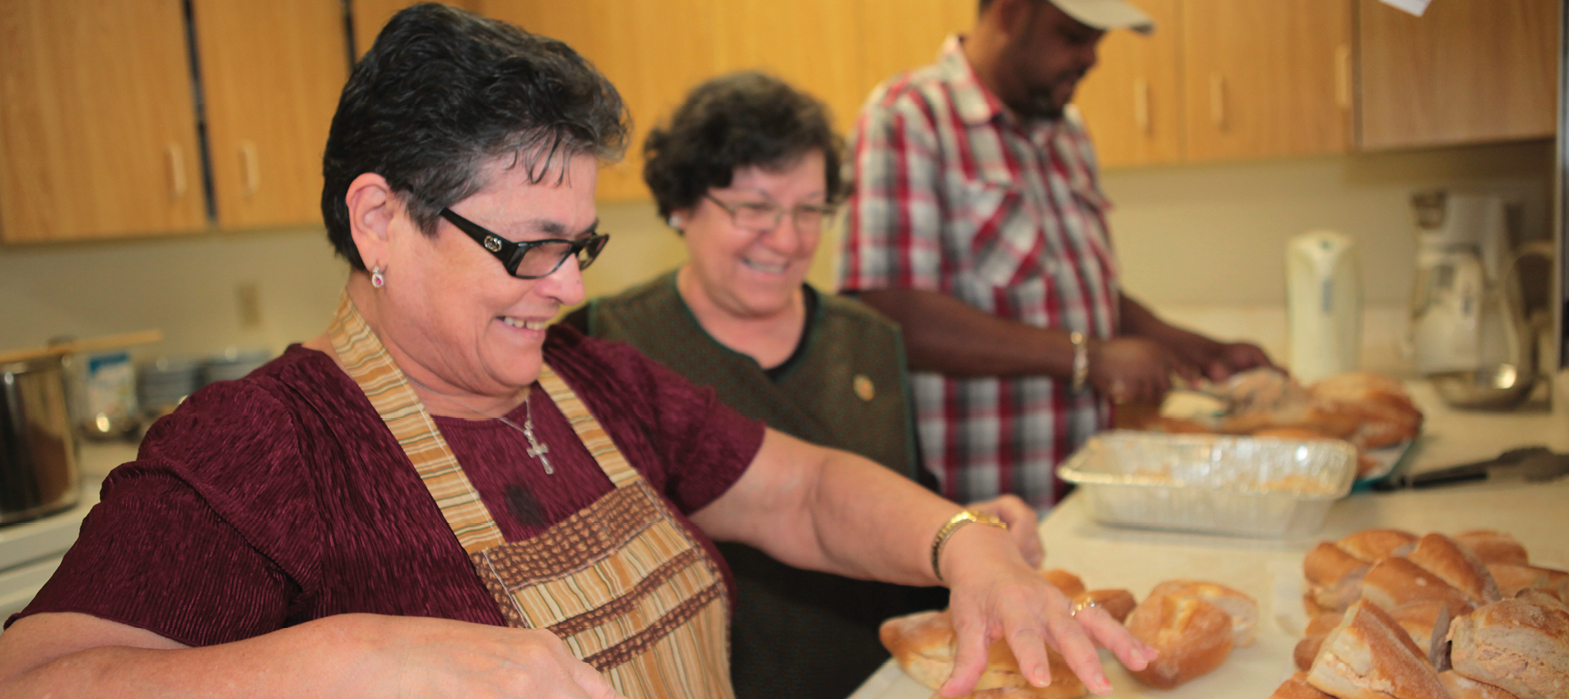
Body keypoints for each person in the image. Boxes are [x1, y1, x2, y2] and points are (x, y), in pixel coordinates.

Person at [0, 5, 1154, 699]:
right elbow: (38, 676)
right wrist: (357, 658)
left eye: (582, 244)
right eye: (528, 248)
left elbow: (800, 493)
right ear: (377, 220)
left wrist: (964, 549)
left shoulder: (594, 385)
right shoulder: (266, 443)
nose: (572, 288)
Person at [563, 71, 1041, 699]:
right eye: (754, 208)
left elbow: (902, 503)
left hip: (885, 681)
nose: (788, 240)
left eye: (809, 210)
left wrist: (972, 530)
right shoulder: (603, 345)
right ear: (681, 206)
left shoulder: (869, 340)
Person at [842, 0, 1274, 509]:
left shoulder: (1066, 130)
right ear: (1008, 13)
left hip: (1077, 498)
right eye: (1073, 36)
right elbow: (889, 312)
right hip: (972, 510)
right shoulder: (907, 118)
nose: (1091, 59)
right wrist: (1088, 358)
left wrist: (1194, 350)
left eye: (1097, 42)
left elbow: (1071, 288)